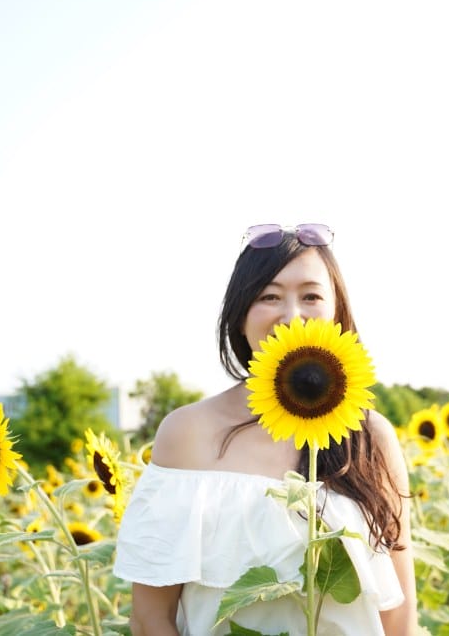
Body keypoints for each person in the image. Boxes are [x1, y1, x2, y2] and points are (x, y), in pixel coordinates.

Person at [113, 223, 419, 635]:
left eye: (311, 296)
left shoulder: (369, 439)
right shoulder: (187, 434)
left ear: (337, 312)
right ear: (240, 316)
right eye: (269, 297)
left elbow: (399, 616)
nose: (292, 316)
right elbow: (151, 617)